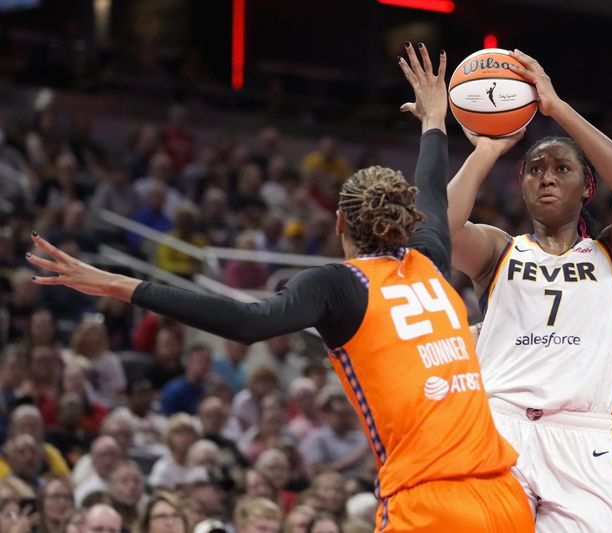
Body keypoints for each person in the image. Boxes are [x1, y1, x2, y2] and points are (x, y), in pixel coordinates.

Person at [27, 43, 534, 532]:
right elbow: (433, 195)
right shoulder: (429, 260)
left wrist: (121, 284)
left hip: (431, 503)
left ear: (339, 223)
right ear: (406, 221)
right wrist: (433, 122)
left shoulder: (338, 285)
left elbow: (249, 323)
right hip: (504, 499)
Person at [447, 48, 612, 531]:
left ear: (588, 187)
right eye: (535, 169)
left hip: (586, 438)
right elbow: (442, 229)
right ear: (522, 186)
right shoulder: (499, 250)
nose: (547, 177)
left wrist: (555, 107)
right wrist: (486, 150)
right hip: (501, 426)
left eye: (562, 169)